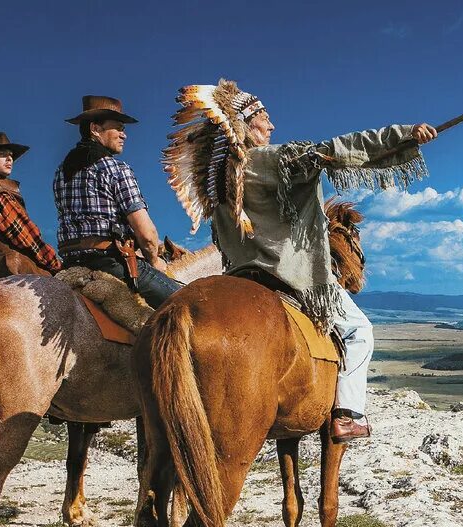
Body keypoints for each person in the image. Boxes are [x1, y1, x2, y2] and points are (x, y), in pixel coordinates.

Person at [164, 80, 437, 442]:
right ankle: (347, 414)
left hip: (239, 277)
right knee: (360, 331)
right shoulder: (272, 160)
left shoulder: (219, 179)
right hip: (288, 276)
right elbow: (337, 149)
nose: (272, 126)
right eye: (264, 117)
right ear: (245, 124)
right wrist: (402, 135)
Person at [54, 96, 182, 308]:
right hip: (111, 264)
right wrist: (155, 261)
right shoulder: (115, 169)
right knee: (191, 305)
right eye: (119, 129)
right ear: (95, 129)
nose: (124, 135)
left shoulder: (61, 173)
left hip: (70, 264)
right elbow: (147, 234)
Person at [0, 131, 62, 284]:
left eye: (11, 155)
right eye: (2, 154)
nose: (10, 158)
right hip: (10, 273)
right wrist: (57, 265)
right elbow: (27, 237)